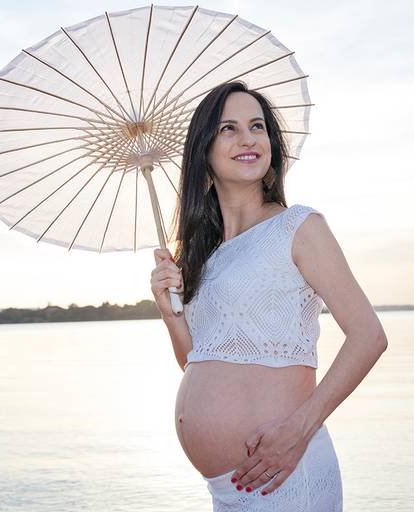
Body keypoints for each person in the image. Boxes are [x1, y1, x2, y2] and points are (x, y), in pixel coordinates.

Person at [150, 80, 388, 511]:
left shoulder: (298, 227)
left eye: (257, 126)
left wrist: (299, 430)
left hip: (286, 478)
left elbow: (369, 336)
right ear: (203, 149)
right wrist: (172, 316)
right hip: (228, 490)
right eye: (228, 128)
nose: (248, 139)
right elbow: (197, 362)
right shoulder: (204, 255)